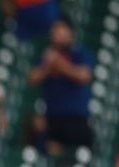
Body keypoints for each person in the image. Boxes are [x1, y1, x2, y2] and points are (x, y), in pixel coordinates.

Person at [27, 18, 93, 156]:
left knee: (76, 156)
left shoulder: (79, 53)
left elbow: (84, 76)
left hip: (75, 119)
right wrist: (47, 66)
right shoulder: (45, 55)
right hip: (52, 118)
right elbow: (31, 78)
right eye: (54, 30)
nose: (56, 33)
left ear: (70, 33)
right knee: (37, 133)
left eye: (60, 29)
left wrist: (59, 64)